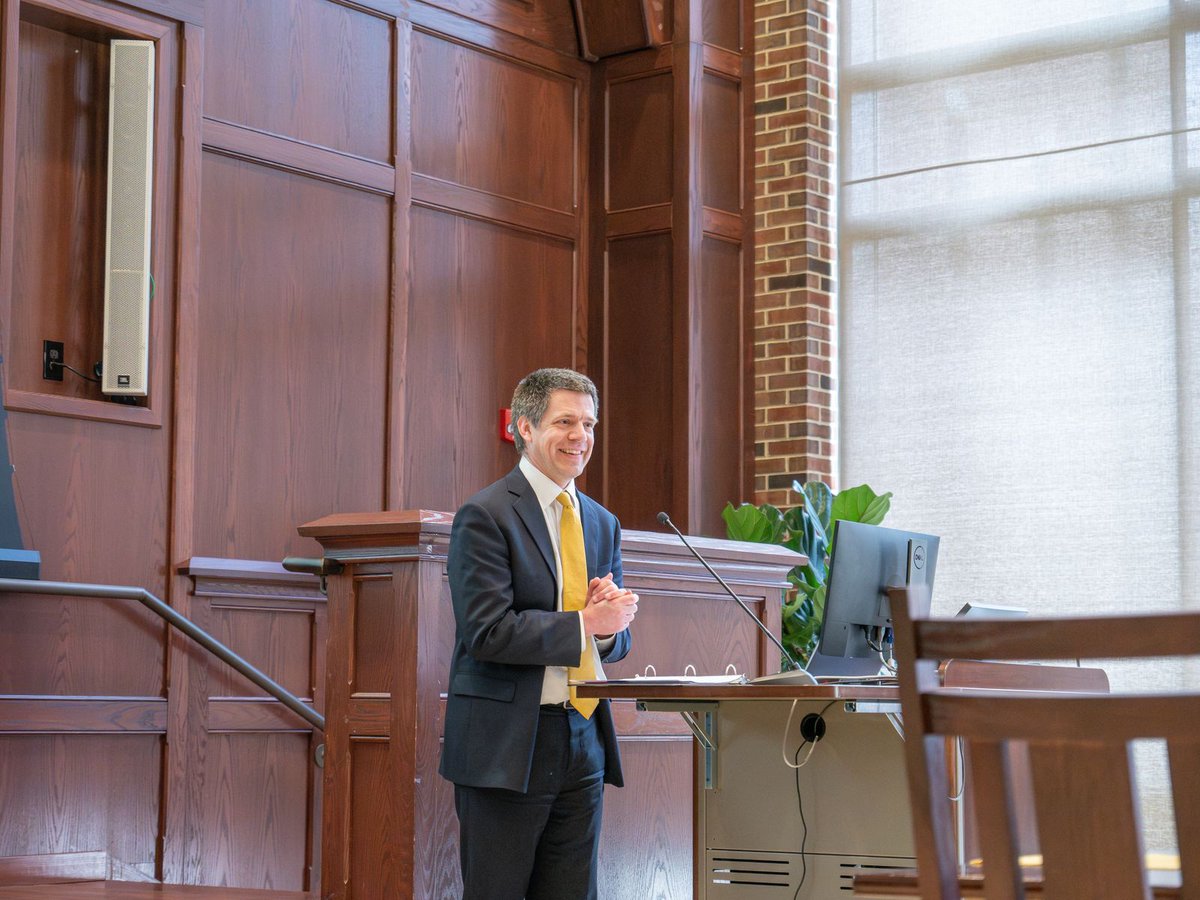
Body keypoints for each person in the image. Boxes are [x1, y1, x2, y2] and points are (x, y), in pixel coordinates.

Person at [439, 367, 638, 900]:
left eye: (590, 424)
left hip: (584, 736)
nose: (581, 436)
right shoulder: (484, 515)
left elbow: (611, 643)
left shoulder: (601, 522)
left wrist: (606, 628)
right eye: (565, 421)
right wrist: (584, 625)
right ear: (524, 428)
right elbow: (487, 631)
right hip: (509, 744)